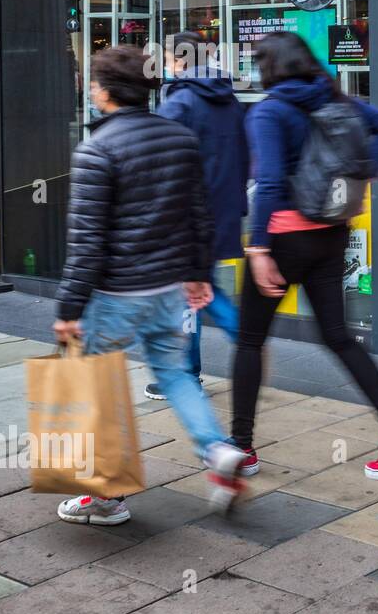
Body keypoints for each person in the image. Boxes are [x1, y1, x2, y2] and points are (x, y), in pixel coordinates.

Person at [52, 45, 249, 523]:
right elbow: (199, 217)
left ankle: (105, 497)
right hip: (167, 289)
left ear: (106, 93)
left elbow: (87, 242)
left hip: (116, 293)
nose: (92, 91)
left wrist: (68, 308)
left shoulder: (95, 150)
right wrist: (199, 275)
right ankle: (218, 450)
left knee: (96, 387)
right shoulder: (179, 138)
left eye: (95, 84)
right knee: (176, 374)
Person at [231, 32, 378, 479]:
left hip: (282, 239)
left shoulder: (270, 111)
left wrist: (259, 248)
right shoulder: (337, 100)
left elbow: (273, 183)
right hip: (331, 235)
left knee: (249, 340)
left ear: (269, 68)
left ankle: (241, 446)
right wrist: (365, 168)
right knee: (338, 337)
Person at [143, 31, 247, 408]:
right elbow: (244, 155)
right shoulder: (229, 99)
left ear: (179, 59)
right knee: (196, 291)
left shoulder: (180, 101)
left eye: (167, 57)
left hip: (186, 217)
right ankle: (194, 370)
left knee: (193, 292)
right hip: (223, 212)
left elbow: (159, 163)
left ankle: (196, 370)